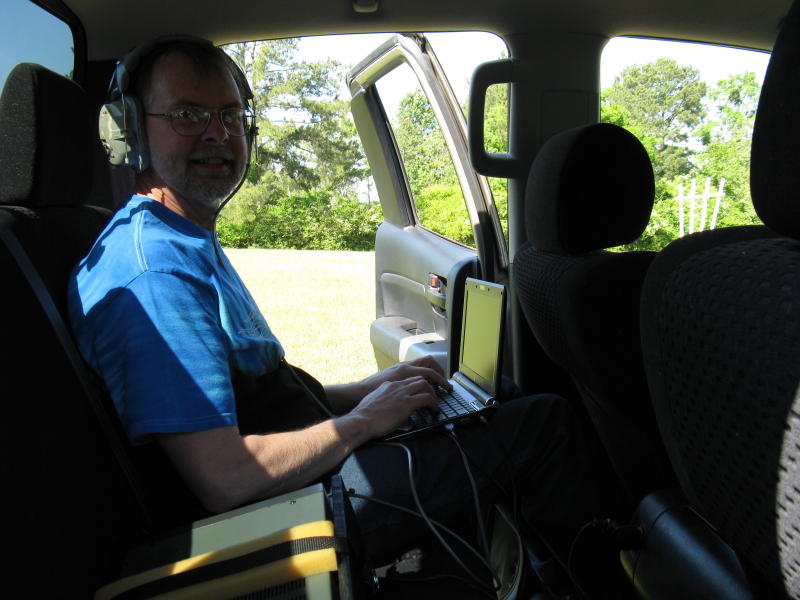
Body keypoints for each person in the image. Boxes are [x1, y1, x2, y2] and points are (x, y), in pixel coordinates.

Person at [68, 36, 625, 583]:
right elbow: (227, 479)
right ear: (130, 130)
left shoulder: (179, 239)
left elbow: (255, 395)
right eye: (188, 115)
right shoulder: (155, 273)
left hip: (301, 485)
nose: (218, 133)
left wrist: (365, 391)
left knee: (503, 404)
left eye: (231, 115)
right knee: (545, 425)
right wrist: (362, 421)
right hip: (274, 521)